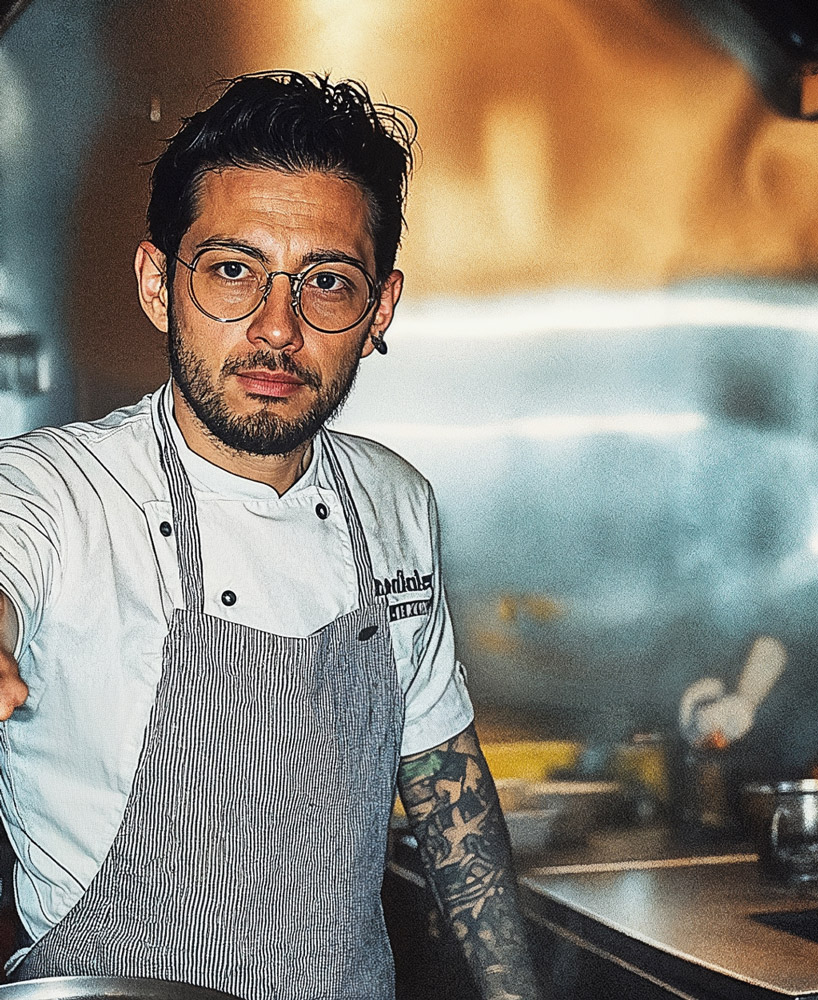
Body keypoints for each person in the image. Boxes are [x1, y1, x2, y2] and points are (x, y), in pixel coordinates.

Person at [0, 72, 541, 1000]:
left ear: (380, 310)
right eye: (232, 270)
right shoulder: (57, 490)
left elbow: (444, 773)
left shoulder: (395, 500)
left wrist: (514, 991)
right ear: (158, 285)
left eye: (327, 281)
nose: (277, 328)